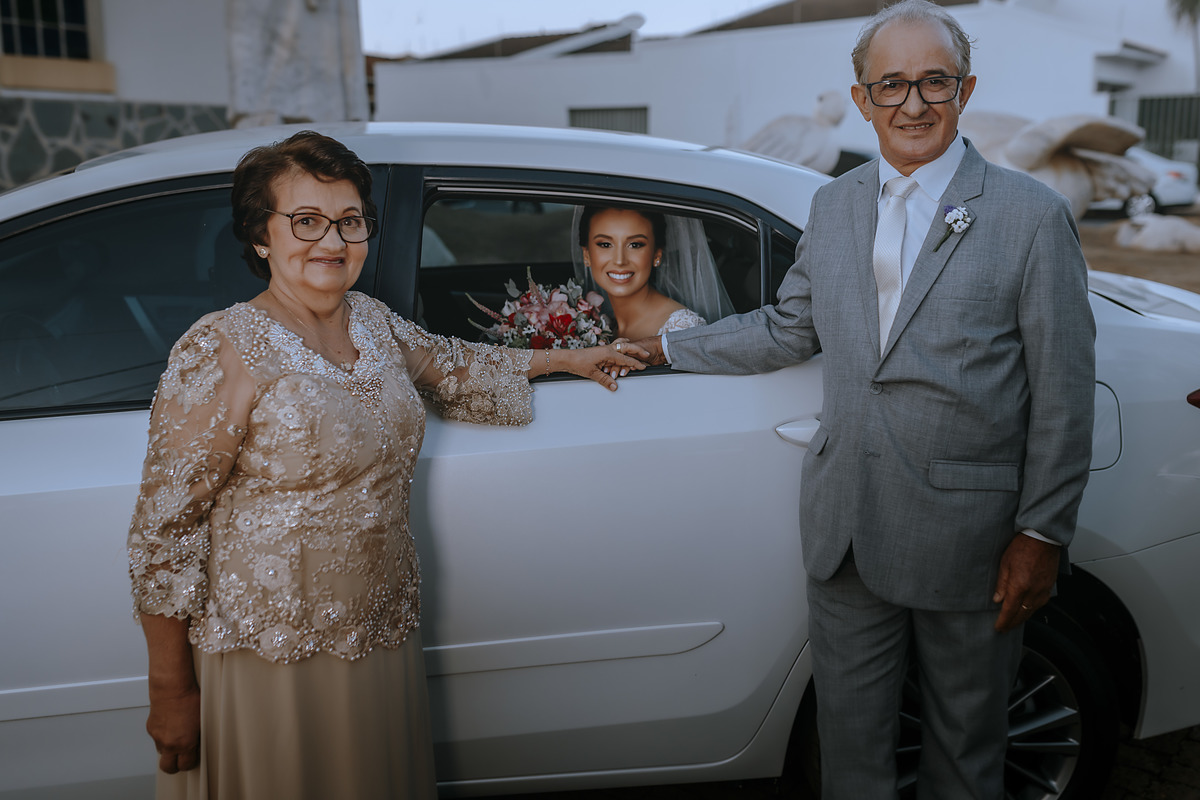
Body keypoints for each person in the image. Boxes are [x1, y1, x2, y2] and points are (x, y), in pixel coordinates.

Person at [629, 2, 1096, 797]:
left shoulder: (1031, 217)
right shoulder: (834, 204)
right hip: (843, 530)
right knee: (850, 756)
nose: (913, 104)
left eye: (933, 82)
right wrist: (666, 345)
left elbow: (1063, 387)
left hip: (971, 543)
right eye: (892, 85)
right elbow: (790, 328)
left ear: (965, 88)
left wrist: (1041, 534)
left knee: (965, 752)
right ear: (861, 98)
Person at [126, 130, 646, 800]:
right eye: (306, 221)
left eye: (349, 221)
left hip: (377, 637)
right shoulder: (219, 348)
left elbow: (455, 364)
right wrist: (170, 689)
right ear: (261, 237)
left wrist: (562, 357)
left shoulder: (371, 321)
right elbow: (163, 535)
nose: (332, 242)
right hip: (268, 653)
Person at [572, 205, 735, 339]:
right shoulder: (601, 324)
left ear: (657, 254)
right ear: (587, 255)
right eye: (605, 245)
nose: (620, 260)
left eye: (635, 245)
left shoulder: (683, 330)